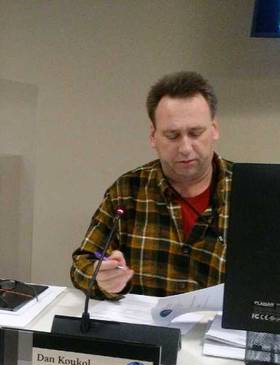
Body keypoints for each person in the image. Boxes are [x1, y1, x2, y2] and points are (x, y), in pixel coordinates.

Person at [70, 71, 232, 299]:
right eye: (172, 136)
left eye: (196, 133)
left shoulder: (250, 192)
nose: (185, 147)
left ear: (214, 129)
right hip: (146, 331)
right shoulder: (128, 190)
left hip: (218, 332)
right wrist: (103, 279)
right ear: (153, 137)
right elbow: (83, 264)